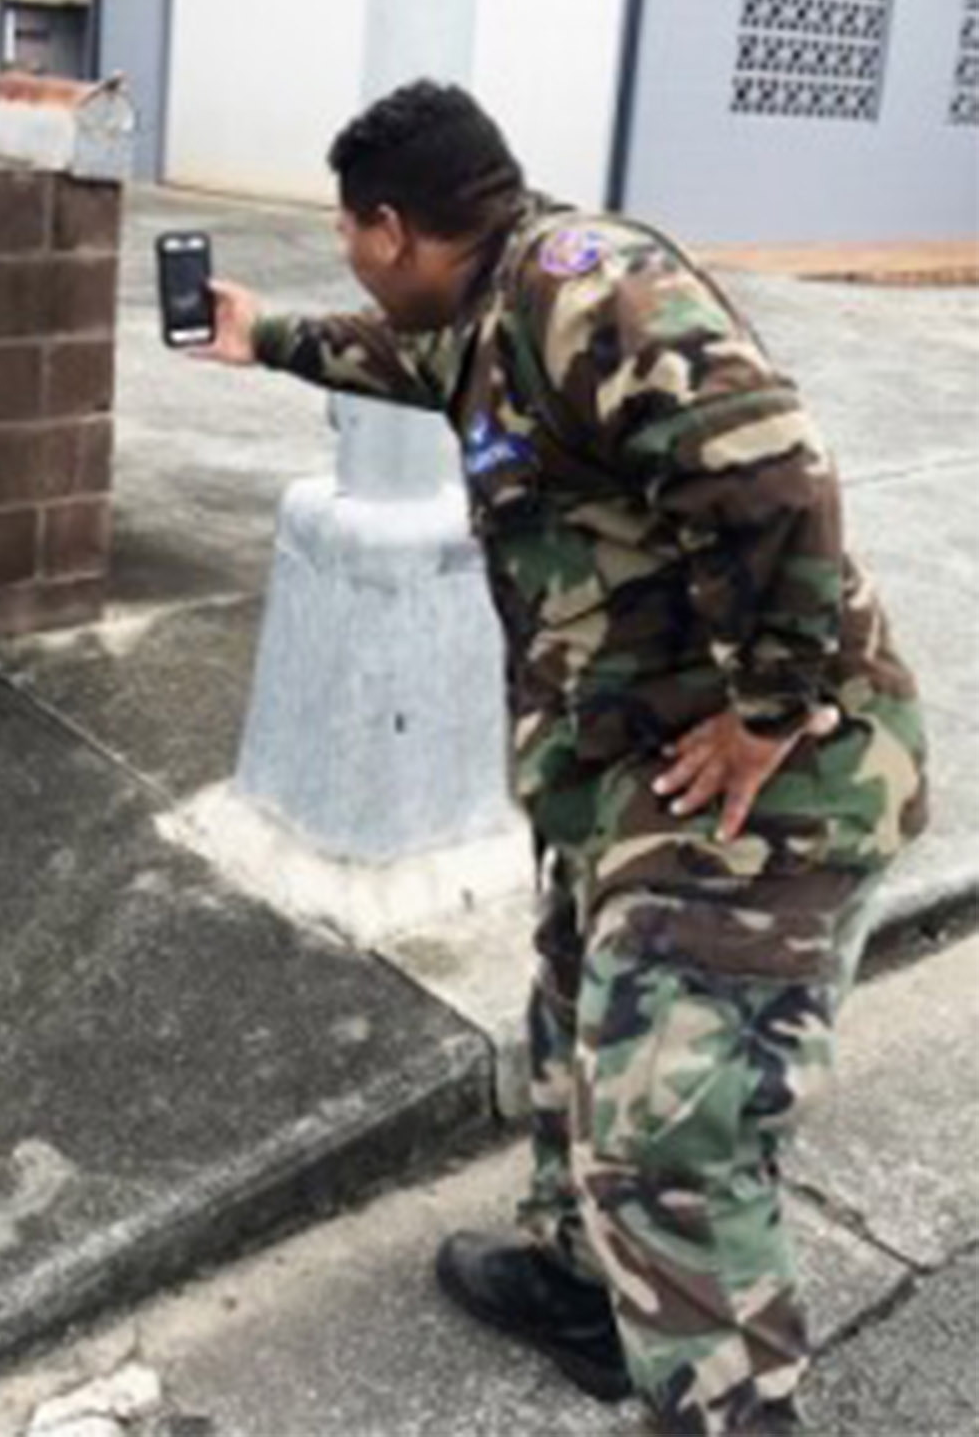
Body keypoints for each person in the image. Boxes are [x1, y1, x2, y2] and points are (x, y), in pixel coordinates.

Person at [197, 80, 926, 1437]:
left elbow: (774, 473)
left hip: (769, 792)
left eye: (347, 237)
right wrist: (271, 338)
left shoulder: (590, 292)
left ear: (394, 227)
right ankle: (587, 1292)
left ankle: (730, 1412)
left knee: (671, 1139)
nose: (346, 259)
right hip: (634, 776)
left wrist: (769, 710)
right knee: (574, 1021)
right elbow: (412, 362)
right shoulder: (489, 313)